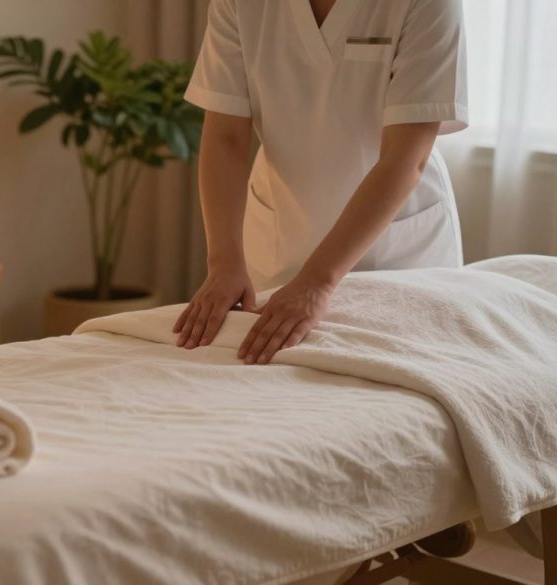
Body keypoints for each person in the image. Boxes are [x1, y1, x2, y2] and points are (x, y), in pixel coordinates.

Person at [174, 0, 467, 364]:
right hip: (280, 241)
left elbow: (406, 158)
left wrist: (318, 281)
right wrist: (224, 263)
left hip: (396, 254)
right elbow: (225, 137)